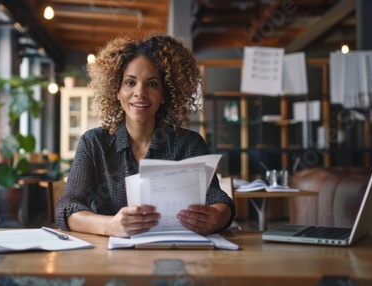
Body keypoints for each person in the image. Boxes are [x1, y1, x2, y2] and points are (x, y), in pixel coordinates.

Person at [55, 34, 236, 237]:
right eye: (130, 83)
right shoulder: (94, 143)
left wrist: (215, 218)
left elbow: (218, 199)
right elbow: (67, 207)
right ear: (117, 90)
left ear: (164, 94)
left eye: (152, 84)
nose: (140, 92)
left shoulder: (189, 144)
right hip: (109, 260)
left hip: (176, 255)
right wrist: (110, 226)